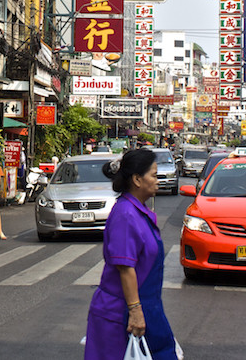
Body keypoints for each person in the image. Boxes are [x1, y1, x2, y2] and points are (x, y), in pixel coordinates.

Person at [85, 149, 177, 360]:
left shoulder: (138, 212)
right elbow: (126, 268)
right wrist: (135, 311)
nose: (158, 179)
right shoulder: (125, 214)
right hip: (121, 315)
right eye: (153, 175)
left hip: (148, 309)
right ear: (137, 179)